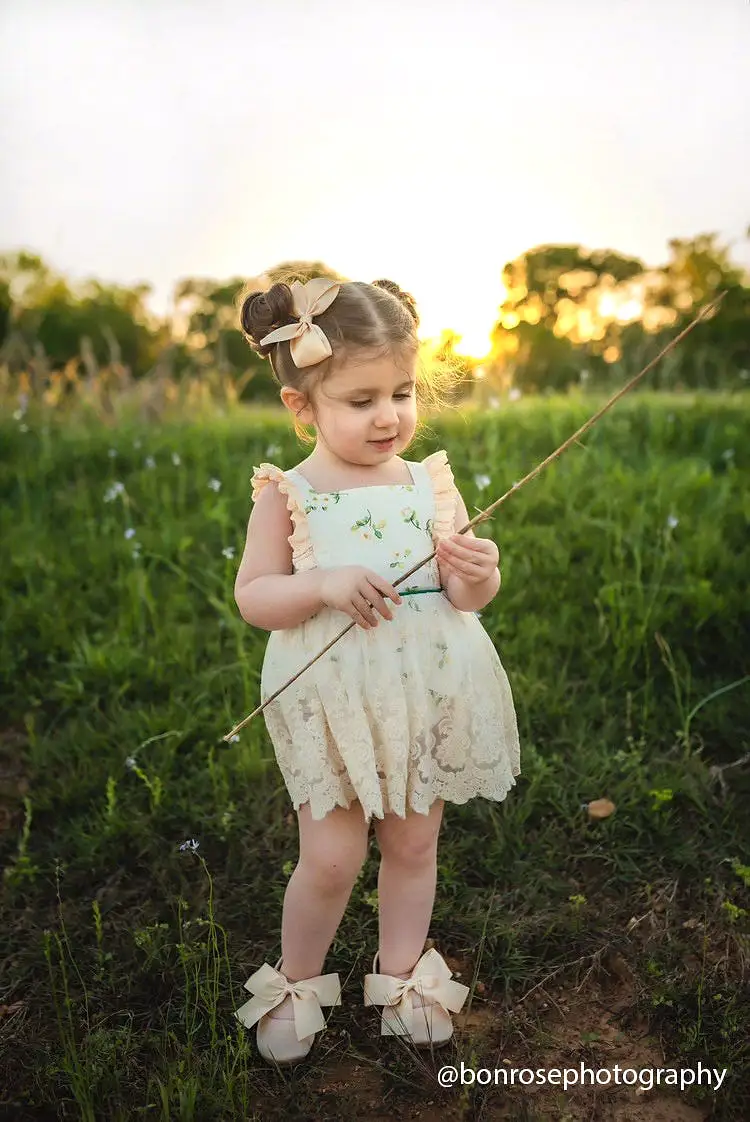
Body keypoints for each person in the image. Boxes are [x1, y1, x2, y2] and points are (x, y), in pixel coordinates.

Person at [232, 274, 521, 1065]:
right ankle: (297, 983)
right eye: (362, 400)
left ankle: (400, 979)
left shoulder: (429, 483)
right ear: (304, 408)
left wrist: (479, 569)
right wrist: (322, 584)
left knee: (414, 844)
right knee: (331, 855)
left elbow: (466, 596)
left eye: (401, 392)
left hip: (421, 691)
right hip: (334, 700)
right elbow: (255, 596)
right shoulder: (288, 494)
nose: (389, 415)